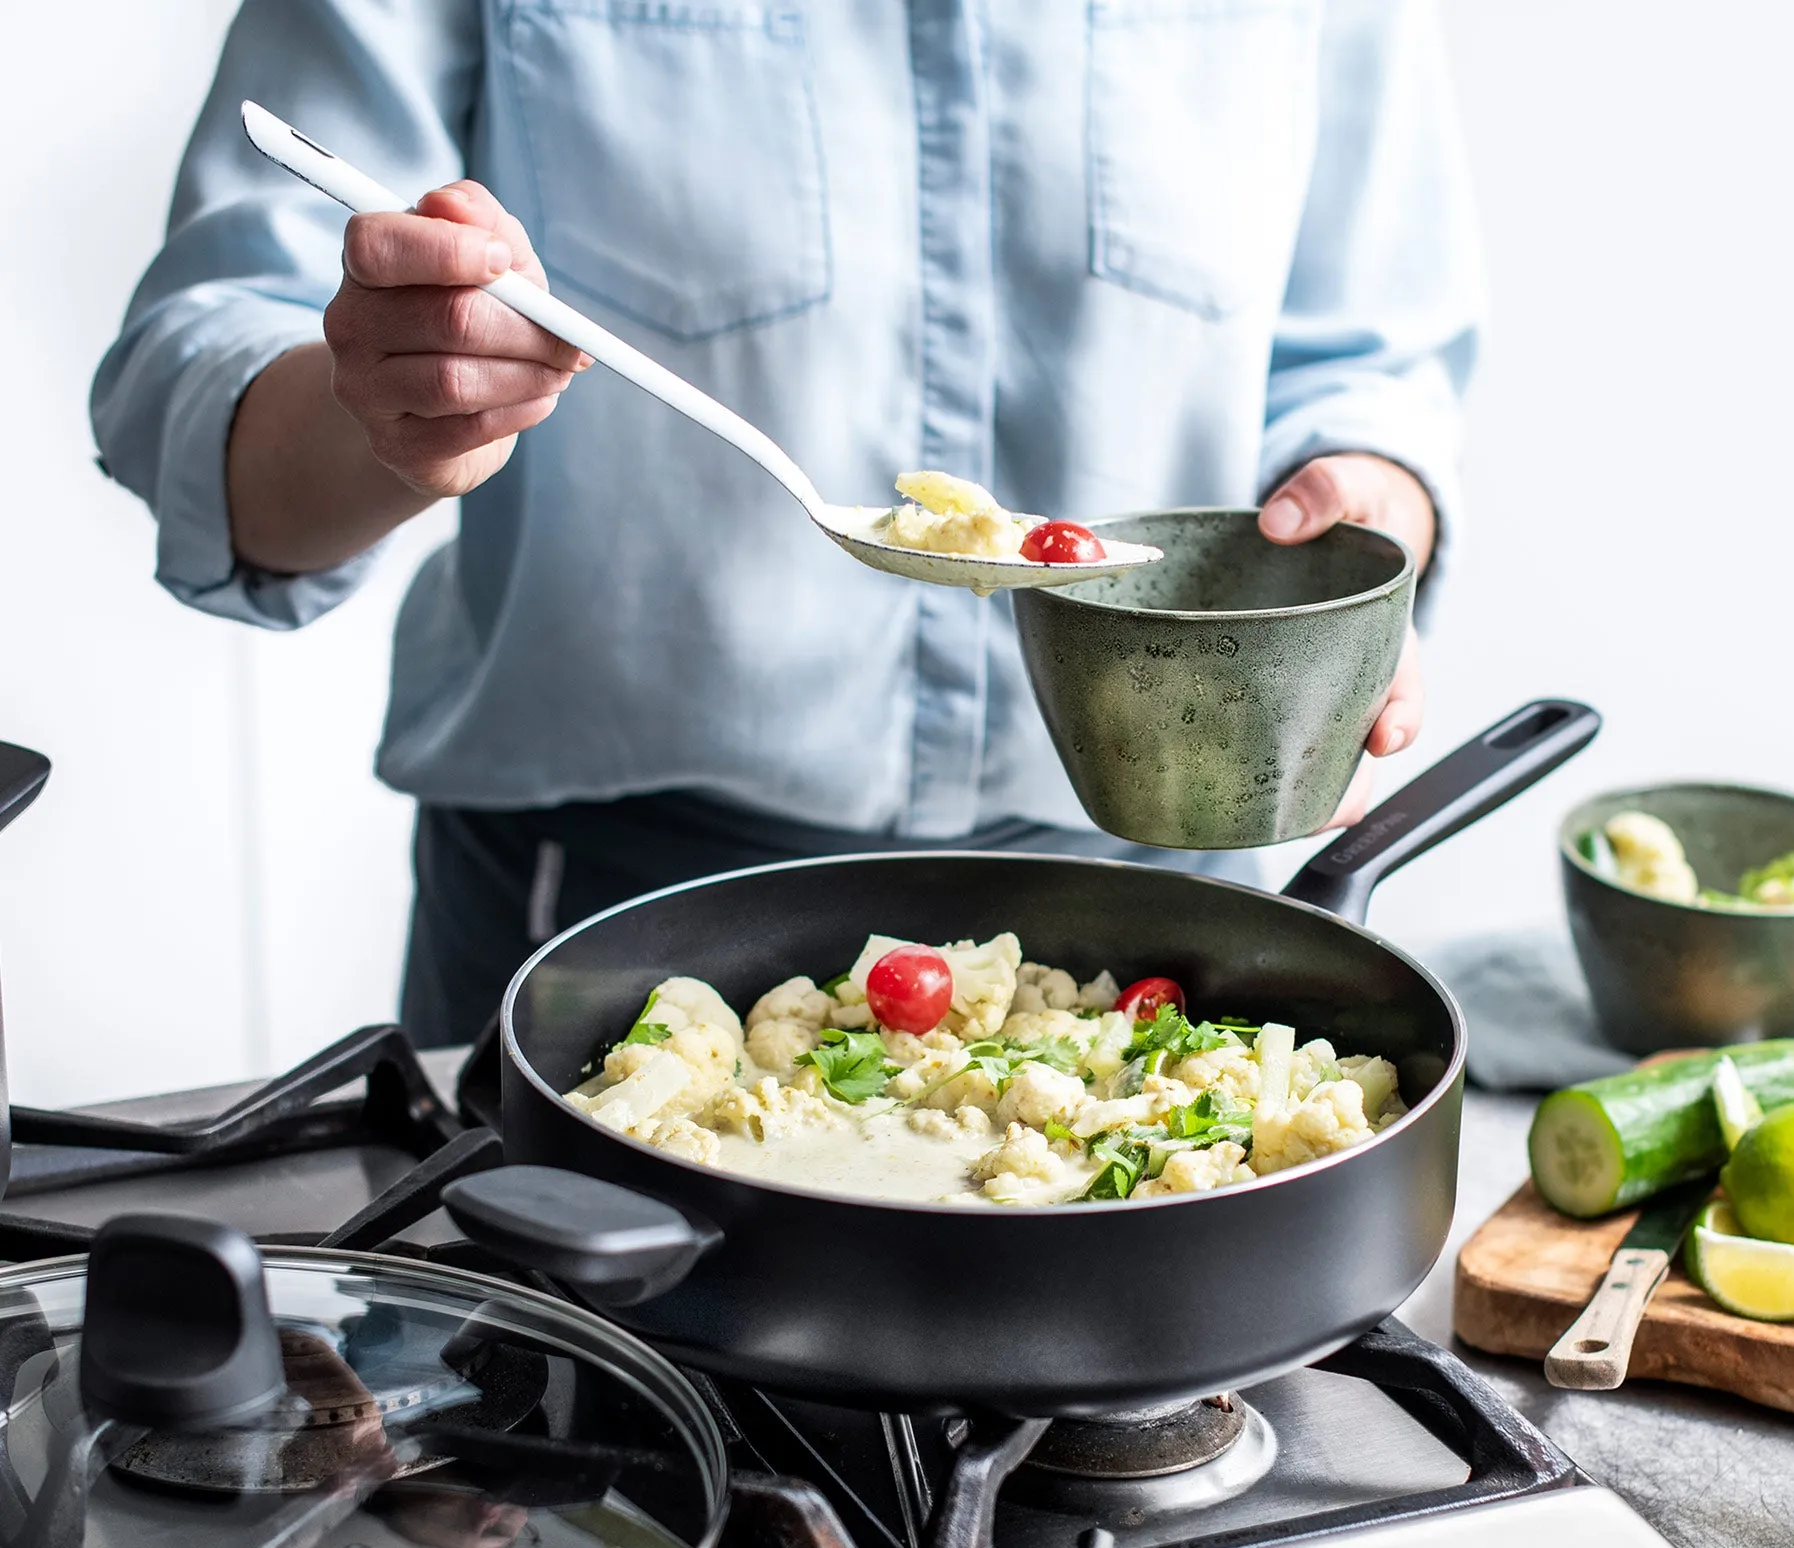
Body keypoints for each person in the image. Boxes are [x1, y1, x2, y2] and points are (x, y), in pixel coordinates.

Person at [93, 1, 1481, 1047]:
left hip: (1170, 905)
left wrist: (1368, 505)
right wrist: (389, 405)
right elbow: (188, 378)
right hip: (611, 916)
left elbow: (1369, 355)